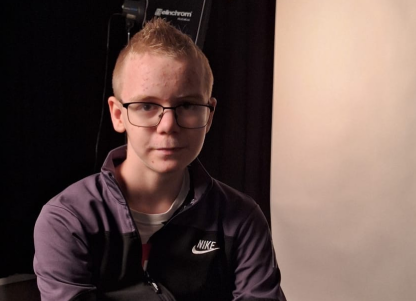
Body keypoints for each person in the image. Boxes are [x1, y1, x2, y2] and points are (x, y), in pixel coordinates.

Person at [33, 17, 286, 301]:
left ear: (209, 115)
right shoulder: (67, 219)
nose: (167, 125)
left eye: (187, 105)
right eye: (147, 105)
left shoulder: (242, 219)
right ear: (118, 115)